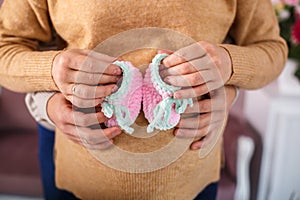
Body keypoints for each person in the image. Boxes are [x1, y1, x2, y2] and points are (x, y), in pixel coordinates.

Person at [0, 0, 287, 199]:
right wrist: (52, 71)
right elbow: (6, 49)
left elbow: (272, 50)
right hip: (80, 179)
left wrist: (228, 63)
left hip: (190, 181)